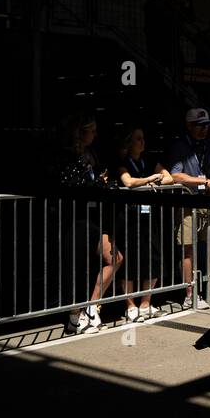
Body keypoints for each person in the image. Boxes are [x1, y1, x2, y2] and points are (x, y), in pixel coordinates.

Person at [47, 114, 119, 334]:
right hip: (74, 219)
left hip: (91, 218)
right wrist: (98, 182)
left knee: (114, 258)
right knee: (75, 268)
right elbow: (73, 185)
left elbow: (91, 182)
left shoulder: (90, 153)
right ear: (80, 131)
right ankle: (74, 318)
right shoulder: (67, 154)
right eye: (92, 130)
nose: (95, 135)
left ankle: (91, 307)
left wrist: (103, 183)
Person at [159, 108, 210, 310]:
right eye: (199, 126)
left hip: (208, 203)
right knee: (188, 248)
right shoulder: (179, 146)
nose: (204, 129)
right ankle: (190, 293)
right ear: (189, 126)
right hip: (188, 203)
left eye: (207, 125)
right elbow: (176, 175)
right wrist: (205, 182)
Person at [114, 127, 173, 321]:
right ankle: (130, 304)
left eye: (143, 138)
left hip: (148, 217)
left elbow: (169, 177)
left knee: (153, 257)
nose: (142, 142)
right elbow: (128, 182)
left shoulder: (148, 161)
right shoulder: (122, 163)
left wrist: (156, 180)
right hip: (129, 218)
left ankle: (146, 302)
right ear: (129, 143)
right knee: (131, 260)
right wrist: (148, 180)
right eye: (138, 139)